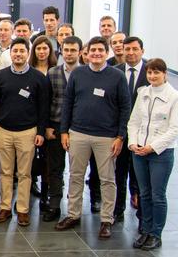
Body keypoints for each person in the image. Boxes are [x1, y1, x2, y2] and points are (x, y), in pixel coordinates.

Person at [56, 37, 131, 239]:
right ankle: (73, 214)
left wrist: (120, 136)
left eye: (100, 50)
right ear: (86, 53)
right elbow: (68, 103)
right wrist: (64, 131)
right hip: (78, 133)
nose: (96, 53)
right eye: (93, 50)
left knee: (107, 179)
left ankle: (107, 219)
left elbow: (125, 108)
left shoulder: (117, 77)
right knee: (75, 176)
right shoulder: (78, 74)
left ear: (106, 53)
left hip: (106, 137)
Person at [0, 38, 49, 227]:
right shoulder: (1, 75)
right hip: (3, 130)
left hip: (28, 132)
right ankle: (5, 207)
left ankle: (22, 210)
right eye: (15, 51)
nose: (18, 54)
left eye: (22, 51)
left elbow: (43, 108)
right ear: (10, 53)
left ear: (28, 53)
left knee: (25, 174)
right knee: (6, 172)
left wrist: (40, 131)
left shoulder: (38, 77)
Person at [127, 58, 178, 251]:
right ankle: (146, 230)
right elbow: (134, 121)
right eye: (150, 72)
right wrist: (133, 142)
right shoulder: (143, 93)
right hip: (139, 150)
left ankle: (156, 234)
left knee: (157, 195)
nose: (152, 76)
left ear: (164, 74)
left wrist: (152, 146)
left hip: (161, 153)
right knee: (144, 193)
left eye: (156, 73)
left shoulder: (175, 97)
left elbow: (174, 129)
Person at [43, 36, 82, 223]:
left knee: (77, 170)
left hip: (80, 127)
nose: (69, 53)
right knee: (55, 167)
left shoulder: (85, 74)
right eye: (66, 50)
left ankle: (75, 208)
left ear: (80, 52)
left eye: (73, 50)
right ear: (61, 51)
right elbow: (46, 102)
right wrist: (47, 126)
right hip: (56, 125)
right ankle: (54, 205)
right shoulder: (53, 73)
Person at [115, 36, 148, 221]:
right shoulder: (115, 71)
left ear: (142, 51)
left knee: (140, 176)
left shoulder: (150, 71)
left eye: (135, 49)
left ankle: (143, 215)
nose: (131, 52)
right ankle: (117, 210)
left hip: (143, 133)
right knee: (119, 172)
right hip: (120, 131)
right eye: (127, 49)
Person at [29, 36, 58, 204]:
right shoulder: (29, 69)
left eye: (45, 48)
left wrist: (47, 125)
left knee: (48, 158)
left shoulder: (55, 70)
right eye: (38, 48)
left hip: (50, 120)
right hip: (31, 120)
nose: (41, 52)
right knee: (31, 157)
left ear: (50, 51)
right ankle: (32, 184)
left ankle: (47, 192)